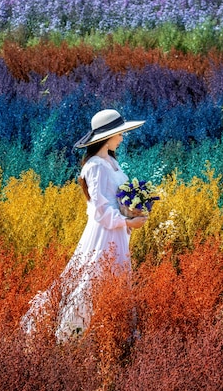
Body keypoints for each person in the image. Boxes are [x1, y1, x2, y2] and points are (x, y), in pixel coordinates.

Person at [21, 109, 148, 341]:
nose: (122, 137)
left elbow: (115, 198)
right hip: (105, 233)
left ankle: (114, 334)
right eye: (119, 133)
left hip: (116, 231)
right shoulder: (96, 166)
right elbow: (100, 208)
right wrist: (127, 220)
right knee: (94, 279)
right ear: (108, 136)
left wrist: (132, 210)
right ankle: (72, 335)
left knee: (114, 279)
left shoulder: (110, 161)